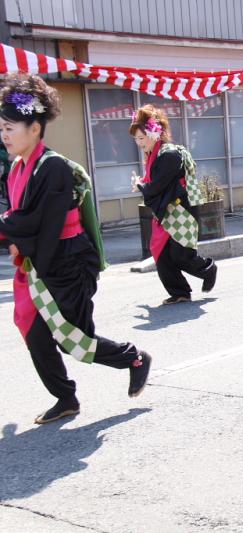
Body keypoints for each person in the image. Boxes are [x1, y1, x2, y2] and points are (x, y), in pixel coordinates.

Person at [0, 73, 152, 424]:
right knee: (37, 335)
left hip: (66, 263)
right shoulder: (18, 168)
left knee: (74, 340)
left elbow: (37, 224)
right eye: (2, 128)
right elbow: (20, 220)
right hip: (41, 261)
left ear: (34, 128)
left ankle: (134, 358)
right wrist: (13, 238)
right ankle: (66, 398)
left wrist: (10, 233)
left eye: (10, 128)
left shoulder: (52, 167)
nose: (4, 135)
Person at [131, 105, 217, 305]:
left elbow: (157, 186)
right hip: (169, 209)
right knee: (161, 254)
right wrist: (141, 185)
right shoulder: (156, 154)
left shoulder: (168, 154)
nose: (138, 143)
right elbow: (155, 185)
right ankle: (180, 292)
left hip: (181, 210)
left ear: (154, 133)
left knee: (181, 254)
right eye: (136, 139)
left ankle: (208, 269)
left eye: (141, 138)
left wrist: (142, 186)